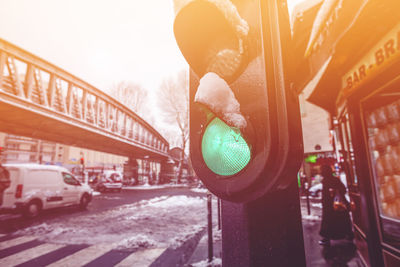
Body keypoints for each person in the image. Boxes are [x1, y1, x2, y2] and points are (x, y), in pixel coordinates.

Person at [319, 164, 354, 246]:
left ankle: (327, 238)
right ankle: (348, 234)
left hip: (331, 205)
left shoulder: (326, 181)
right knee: (342, 220)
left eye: (322, 170)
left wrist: (333, 192)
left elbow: (327, 194)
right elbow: (343, 189)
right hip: (337, 205)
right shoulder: (334, 179)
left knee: (328, 222)